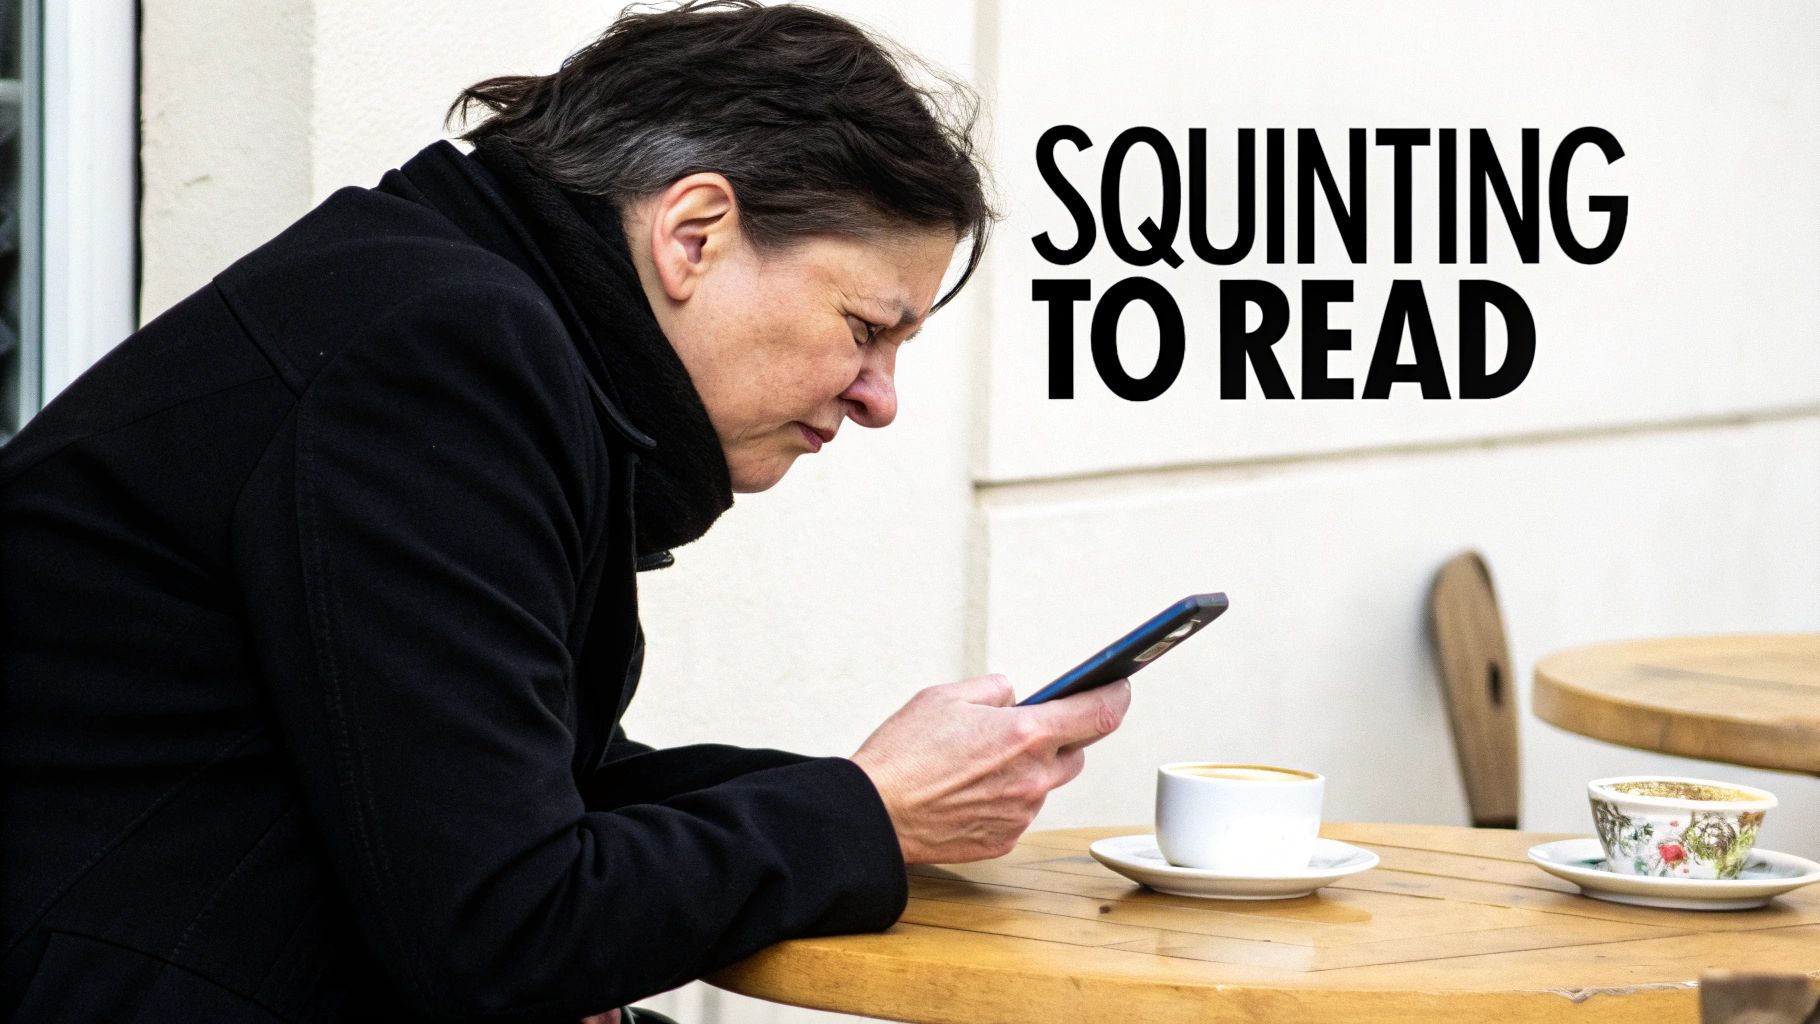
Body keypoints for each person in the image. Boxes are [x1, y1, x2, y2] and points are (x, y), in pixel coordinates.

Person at [0, 3, 1131, 1021]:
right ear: (694, 235)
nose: (879, 397)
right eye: (866, 328)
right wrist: (866, 813)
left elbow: (505, 802)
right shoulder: (443, 354)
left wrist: (877, 795)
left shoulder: (463, 317)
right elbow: (503, 927)